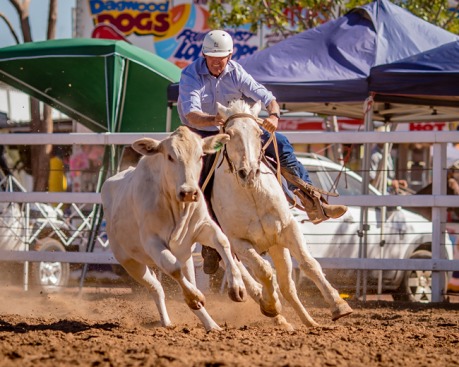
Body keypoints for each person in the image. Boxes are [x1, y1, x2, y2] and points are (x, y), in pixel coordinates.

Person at [177, 30, 347, 274]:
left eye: (221, 56)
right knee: (202, 175)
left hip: (237, 126)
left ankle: (313, 200)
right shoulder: (191, 74)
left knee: (281, 143)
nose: (216, 61)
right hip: (204, 130)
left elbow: (268, 98)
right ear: (203, 54)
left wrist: (274, 116)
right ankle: (209, 240)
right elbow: (192, 114)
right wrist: (217, 119)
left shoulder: (236, 72)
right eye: (212, 56)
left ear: (230, 55)